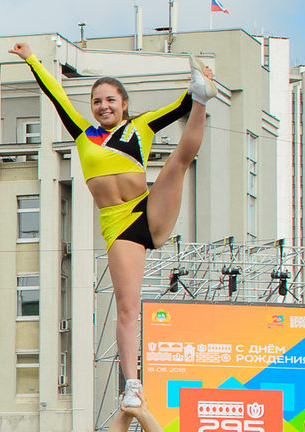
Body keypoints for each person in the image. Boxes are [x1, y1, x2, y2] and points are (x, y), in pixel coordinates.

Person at [12, 45, 214, 409]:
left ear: (123, 103)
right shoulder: (83, 133)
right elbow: (55, 94)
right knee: (127, 306)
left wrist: (195, 91)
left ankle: (205, 96)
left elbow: (177, 109)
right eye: (96, 102)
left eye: (110, 100)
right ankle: (132, 383)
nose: (103, 106)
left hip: (147, 210)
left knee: (178, 163)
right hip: (120, 228)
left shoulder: (141, 126)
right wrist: (31, 60)